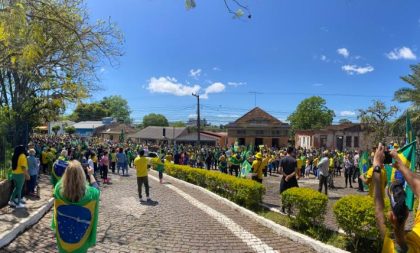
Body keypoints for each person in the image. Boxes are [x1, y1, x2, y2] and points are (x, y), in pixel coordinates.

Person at [372, 144, 420, 253]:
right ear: (408, 212)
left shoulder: (389, 248)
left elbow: (378, 211)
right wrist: (401, 165)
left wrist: (376, 165)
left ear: (391, 216)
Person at [52, 160, 100, 253]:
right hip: (81, 240)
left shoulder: (58, 189)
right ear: (82, 175)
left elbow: (60, 182)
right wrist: (90, 174)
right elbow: (96, 188)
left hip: (63, 238)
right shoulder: (91, 194)